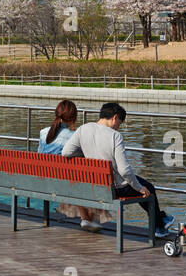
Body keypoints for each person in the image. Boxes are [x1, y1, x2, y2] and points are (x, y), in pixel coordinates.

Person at [61, 102, 171, 239]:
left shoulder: (84, 129)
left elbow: (66, 153)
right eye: (120, 122)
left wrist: (87, 156)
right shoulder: (115, 136)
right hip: (115, 188)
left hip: (95, 185)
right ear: (115, 117)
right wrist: (139, 187)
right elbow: (124, 171)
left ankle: (161, 219)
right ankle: (159, 227)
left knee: (142, 187)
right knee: (148, 189)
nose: (119, 126)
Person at [38, 99, 106, 231]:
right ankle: (88, 218)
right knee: (87, 177)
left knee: (74, 178)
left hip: (42, 179)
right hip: (64, 182)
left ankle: (86, 218)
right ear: (74, 117)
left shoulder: (43, 132)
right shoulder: (73, 136)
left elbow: (39, 154)